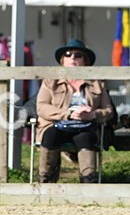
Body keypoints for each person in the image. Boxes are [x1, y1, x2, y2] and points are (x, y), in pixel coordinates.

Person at [35, 39, 115, 183]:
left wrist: (93, 114)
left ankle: (88, 181)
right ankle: (45, 180)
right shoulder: (50, 81)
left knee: (86, 138)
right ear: (62, 60)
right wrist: (68, 114)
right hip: (57, 124)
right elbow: (42, 106)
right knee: (50, 135)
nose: (72, 58)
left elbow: (109, 110)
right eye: (68, 54)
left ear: (85, 60)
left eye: (78, 55)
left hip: (86, 126)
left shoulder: (97, 83)